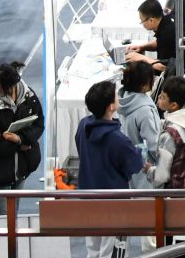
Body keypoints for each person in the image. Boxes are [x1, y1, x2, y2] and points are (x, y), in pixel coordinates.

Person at [73, 80, 143, 258]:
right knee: (113, 251)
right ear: (111, 106)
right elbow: (134, 164)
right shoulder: (117, 139)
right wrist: (139, 151)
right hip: (114, 202)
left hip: (88, 196)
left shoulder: (83, 125)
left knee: (93, 248)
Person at [0, 61, 46, 192]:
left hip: (23, 165)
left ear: (13, 86)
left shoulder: (29, 97)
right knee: (2, 205)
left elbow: (38, 123)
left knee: (16, 203)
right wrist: (18, 145)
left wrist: (20, 138)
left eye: (0, 88)